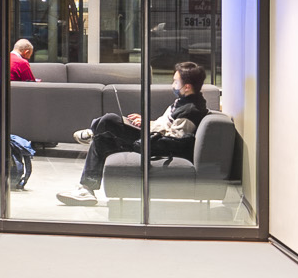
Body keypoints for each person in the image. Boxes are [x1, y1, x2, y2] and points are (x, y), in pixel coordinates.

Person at [57, 56, 210, 206]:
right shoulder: (182, 102)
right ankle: (86, 189)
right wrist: (145, 122)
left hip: (152, 144)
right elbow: (164, 125)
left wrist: (146, 128)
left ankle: (92, 132)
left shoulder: (190, 110)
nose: (173, 85)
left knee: (110, 120)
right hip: (150, 136)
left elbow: (174, 139)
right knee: (101, 140)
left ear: (187, 87)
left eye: (176, 82)